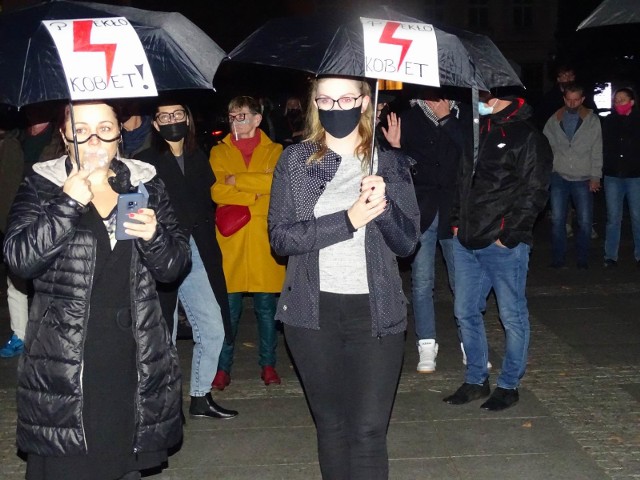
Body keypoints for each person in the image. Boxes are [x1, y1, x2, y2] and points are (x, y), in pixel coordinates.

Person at [2, 100, 190, 480]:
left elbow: (173, 267)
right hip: (67, 360)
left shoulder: (143, 183)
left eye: (104, 128)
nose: (93, 140)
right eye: (81, 129)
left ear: (119, 132)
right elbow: (20, 260)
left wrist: (154, 236)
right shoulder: (42, 184)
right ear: (64, 134)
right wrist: (68, 203)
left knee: (123, 465)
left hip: (132, 357)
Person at [268, 76, 420, 479]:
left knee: (369, 429)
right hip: (311, 312)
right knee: (332, 426)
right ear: (315, 103)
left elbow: (407, 243)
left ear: (365, 101)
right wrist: (348, 220)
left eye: (347, 98)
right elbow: (281, 238)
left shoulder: (388, 163)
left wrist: (383, 204)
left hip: (375, 311)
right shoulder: (295, 161)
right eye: (326, 99)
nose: (337, 107)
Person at [444, 93, 552, 411]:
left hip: (501, 243)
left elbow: (535, 190)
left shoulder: (528, 136)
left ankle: (509, 384)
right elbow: (462, 181)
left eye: (486, 93)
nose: (479, 98)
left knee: (512, 316)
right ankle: (476, 379)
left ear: (504, 97)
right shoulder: (479, 131)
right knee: (465, 312)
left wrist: (510, 233)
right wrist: (455, 223)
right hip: (466, 239)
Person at [136, 98, 238, 420]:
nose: (172, 120)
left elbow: (211, 202)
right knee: (162, 332)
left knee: (213, 326)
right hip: (161, 252)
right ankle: (164, 405)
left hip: (199, 249)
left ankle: (200, 396)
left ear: (188, 119)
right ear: (155, 124)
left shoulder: (199, 157)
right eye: (164, 116)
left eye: (178, 114)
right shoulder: (144, 163)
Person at [384, 87, 468, 373]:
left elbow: (471, 156)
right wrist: (395, 148)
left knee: (462, 281)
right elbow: (394, 172)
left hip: (455, 211)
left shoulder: (462, 116)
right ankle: (427, 344)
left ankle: (470, 343)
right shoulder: (407, 118)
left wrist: (448, 120)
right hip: (421, 212)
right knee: (421, 282)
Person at [209, 95, 285, 389]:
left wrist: (237, 181)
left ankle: (268, 366)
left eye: (241, 116)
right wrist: (256, 193)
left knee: (267, 309)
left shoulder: (276, 150)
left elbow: (278, 185)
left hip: (264, 241)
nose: (235, 121)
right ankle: (222, 368)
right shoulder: (219, 151)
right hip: (232, 241)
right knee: (229, 310)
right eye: (231, 116)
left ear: (257, 119)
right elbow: (217, 191)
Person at [543, 83, 603, 269]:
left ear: (582, 99)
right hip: (559, 176)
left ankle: (582, 258)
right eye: (569, 99)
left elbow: (597, 150)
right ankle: (558, 258)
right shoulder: (554, 119)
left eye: (576, 99)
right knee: (558, 220)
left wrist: (596, 176)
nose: (572, 103)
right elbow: (546, 146)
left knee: (585, 221)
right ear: (564, 99)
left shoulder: (592, 120)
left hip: (583, 177)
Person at [602, 87, 640, 268]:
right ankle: (610, 255)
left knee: (637, 216)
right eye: (616, 100)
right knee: (613, 217)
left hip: (635, 175)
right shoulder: (609, 121)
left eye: (622, 100)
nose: (618, 103)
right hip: (613, 175)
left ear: (632, 102)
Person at [0, 111, 27, 358]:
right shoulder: (20, 139)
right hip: (12, 221)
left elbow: (9, 186)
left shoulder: (13, 146)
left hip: (23, 220)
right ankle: (20, 333)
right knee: (15, 281)